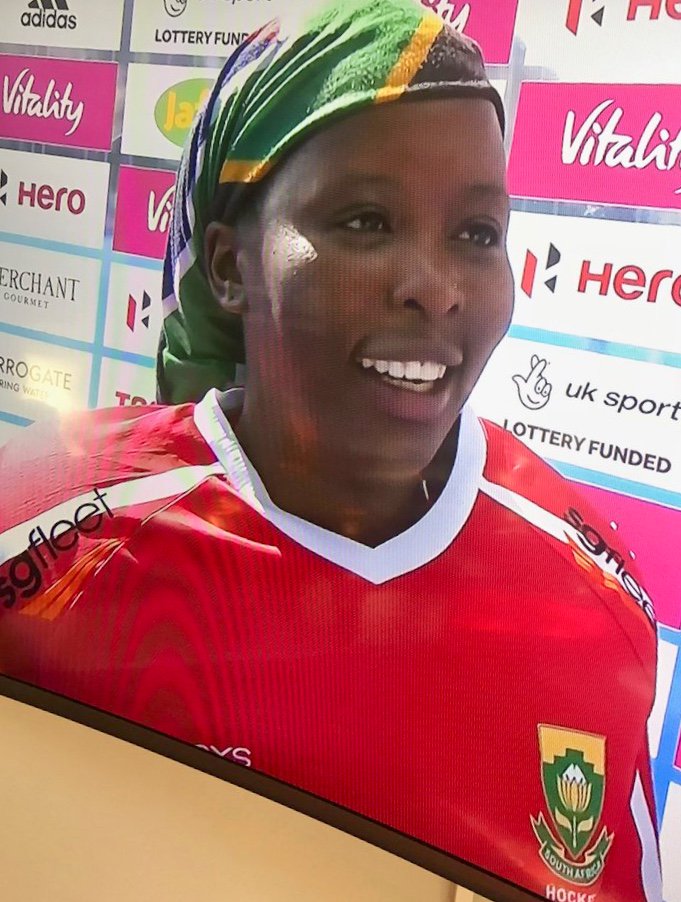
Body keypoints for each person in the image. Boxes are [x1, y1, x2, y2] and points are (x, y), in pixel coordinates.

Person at [0, 1, 661, 898]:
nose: (434, 287)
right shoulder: (41, 542)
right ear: (229, 267)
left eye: (477, 234)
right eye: (364, 220)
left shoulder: (592, 594)